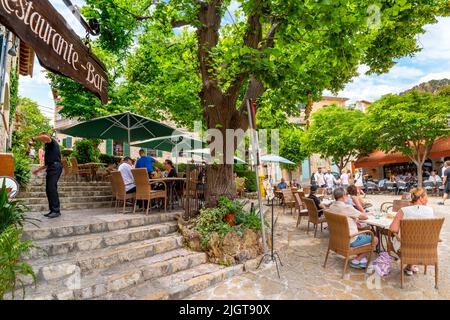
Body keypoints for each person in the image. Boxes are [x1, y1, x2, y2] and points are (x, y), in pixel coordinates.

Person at [328, 187, 377, 269]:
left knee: (364, 232)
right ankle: (357, 260)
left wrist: (354, 219)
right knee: (375, 239)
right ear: (344, 196)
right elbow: (365, 217)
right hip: (350, 239)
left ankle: (362, 259)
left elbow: (344, 216)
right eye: (346, 195)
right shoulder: (346, 207)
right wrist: (357, 217)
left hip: (337, 239)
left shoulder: (332, 207)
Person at [389, 188, 434, 275]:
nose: (428, 199)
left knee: (400, 238)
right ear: (420, 198)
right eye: (426, 197)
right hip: (425, 246)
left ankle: (410, 266)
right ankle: (411, 265)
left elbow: (393, 229)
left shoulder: (403, 211)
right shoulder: (430, 210)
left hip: (406, 246)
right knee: (417, 237)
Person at [31, 132, 63, 219]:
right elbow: (46, 164)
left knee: (51, 187)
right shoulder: (48, 147)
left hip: (55, 167)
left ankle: (56, 211)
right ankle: (53, 210)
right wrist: (38, 169)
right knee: (49, 189)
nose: (43, 140)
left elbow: (45, 136)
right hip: (51, 167)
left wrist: (34, 138)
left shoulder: (52, 142)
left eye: (43, 138)